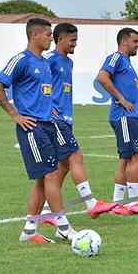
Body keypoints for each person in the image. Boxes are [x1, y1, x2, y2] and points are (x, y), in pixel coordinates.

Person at [0, 18, 74, 243]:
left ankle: (29, 232)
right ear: (34, 35)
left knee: (41, 179)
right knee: (51, 174)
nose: (50, 39)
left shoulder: (45, 63)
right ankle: (64, 226)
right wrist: (15, 115)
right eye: (47, 35)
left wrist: (53, 111)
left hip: (48, 125)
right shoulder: (21, 60)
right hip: (32, 127)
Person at [39, 23, 120, 224]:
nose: (75, 44)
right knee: (75, 156)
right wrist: (47, 107)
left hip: (66, 118)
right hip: (54, 120)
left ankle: (48, 211)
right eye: (72, 40)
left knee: (63, 166)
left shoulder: (69, 62)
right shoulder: (48, 60)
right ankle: (90, 203)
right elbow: (36, 83)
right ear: (60, 39)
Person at [95, 28, 138, 215]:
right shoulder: (116, 58)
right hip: (124, 117)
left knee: (126, 158)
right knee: (135, 156)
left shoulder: (127, 62)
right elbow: (102, 77)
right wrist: (121, 98)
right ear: (124, 42)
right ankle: (132, 202)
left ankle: (118, 204)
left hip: (132, 117)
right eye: (135, 41)